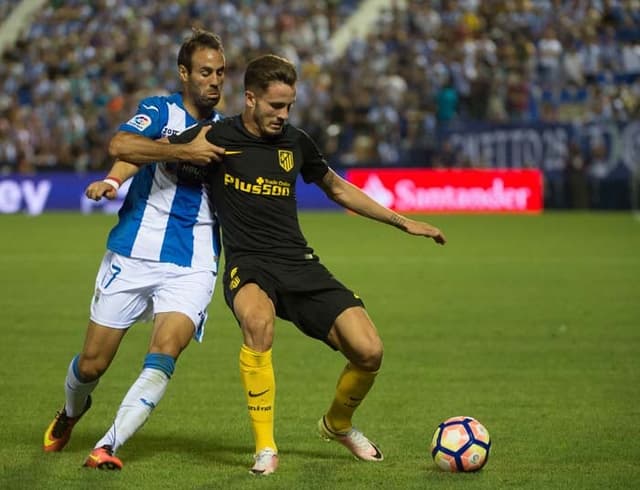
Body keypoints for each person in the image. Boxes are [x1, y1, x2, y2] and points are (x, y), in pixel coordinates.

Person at [171, 54, 447, 475]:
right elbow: (152, 149)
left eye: (289, 107)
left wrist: (401, 221)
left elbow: (336, 187)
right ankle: (265, 447)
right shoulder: (215, 136)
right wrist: (117, 176)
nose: (283, 115)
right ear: (250, 99)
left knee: (369, 351)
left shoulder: (296, 142)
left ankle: (337, 424)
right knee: (258, 326)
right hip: (248, 263)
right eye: (275, 106)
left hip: (299, 262)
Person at [43, 28, 227, 470]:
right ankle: (70, 412)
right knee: (91, 365)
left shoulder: (229, 131)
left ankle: (107, 445)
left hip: (194, 261)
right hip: (134, 251)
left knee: (165, 351)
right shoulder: (160, 110)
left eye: (221, 72)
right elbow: (122, 145)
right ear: (184, 74)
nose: (215, 81)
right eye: (205, 72)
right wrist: (116, 177)